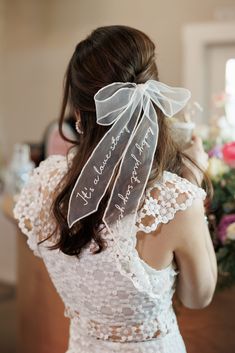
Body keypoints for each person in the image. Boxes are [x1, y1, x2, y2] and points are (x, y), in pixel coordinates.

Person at [14, 25, 217, 353]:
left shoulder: (44, 183)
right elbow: (199, 297)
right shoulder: (174, 202)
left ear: (79, 114)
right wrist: (193, 186)